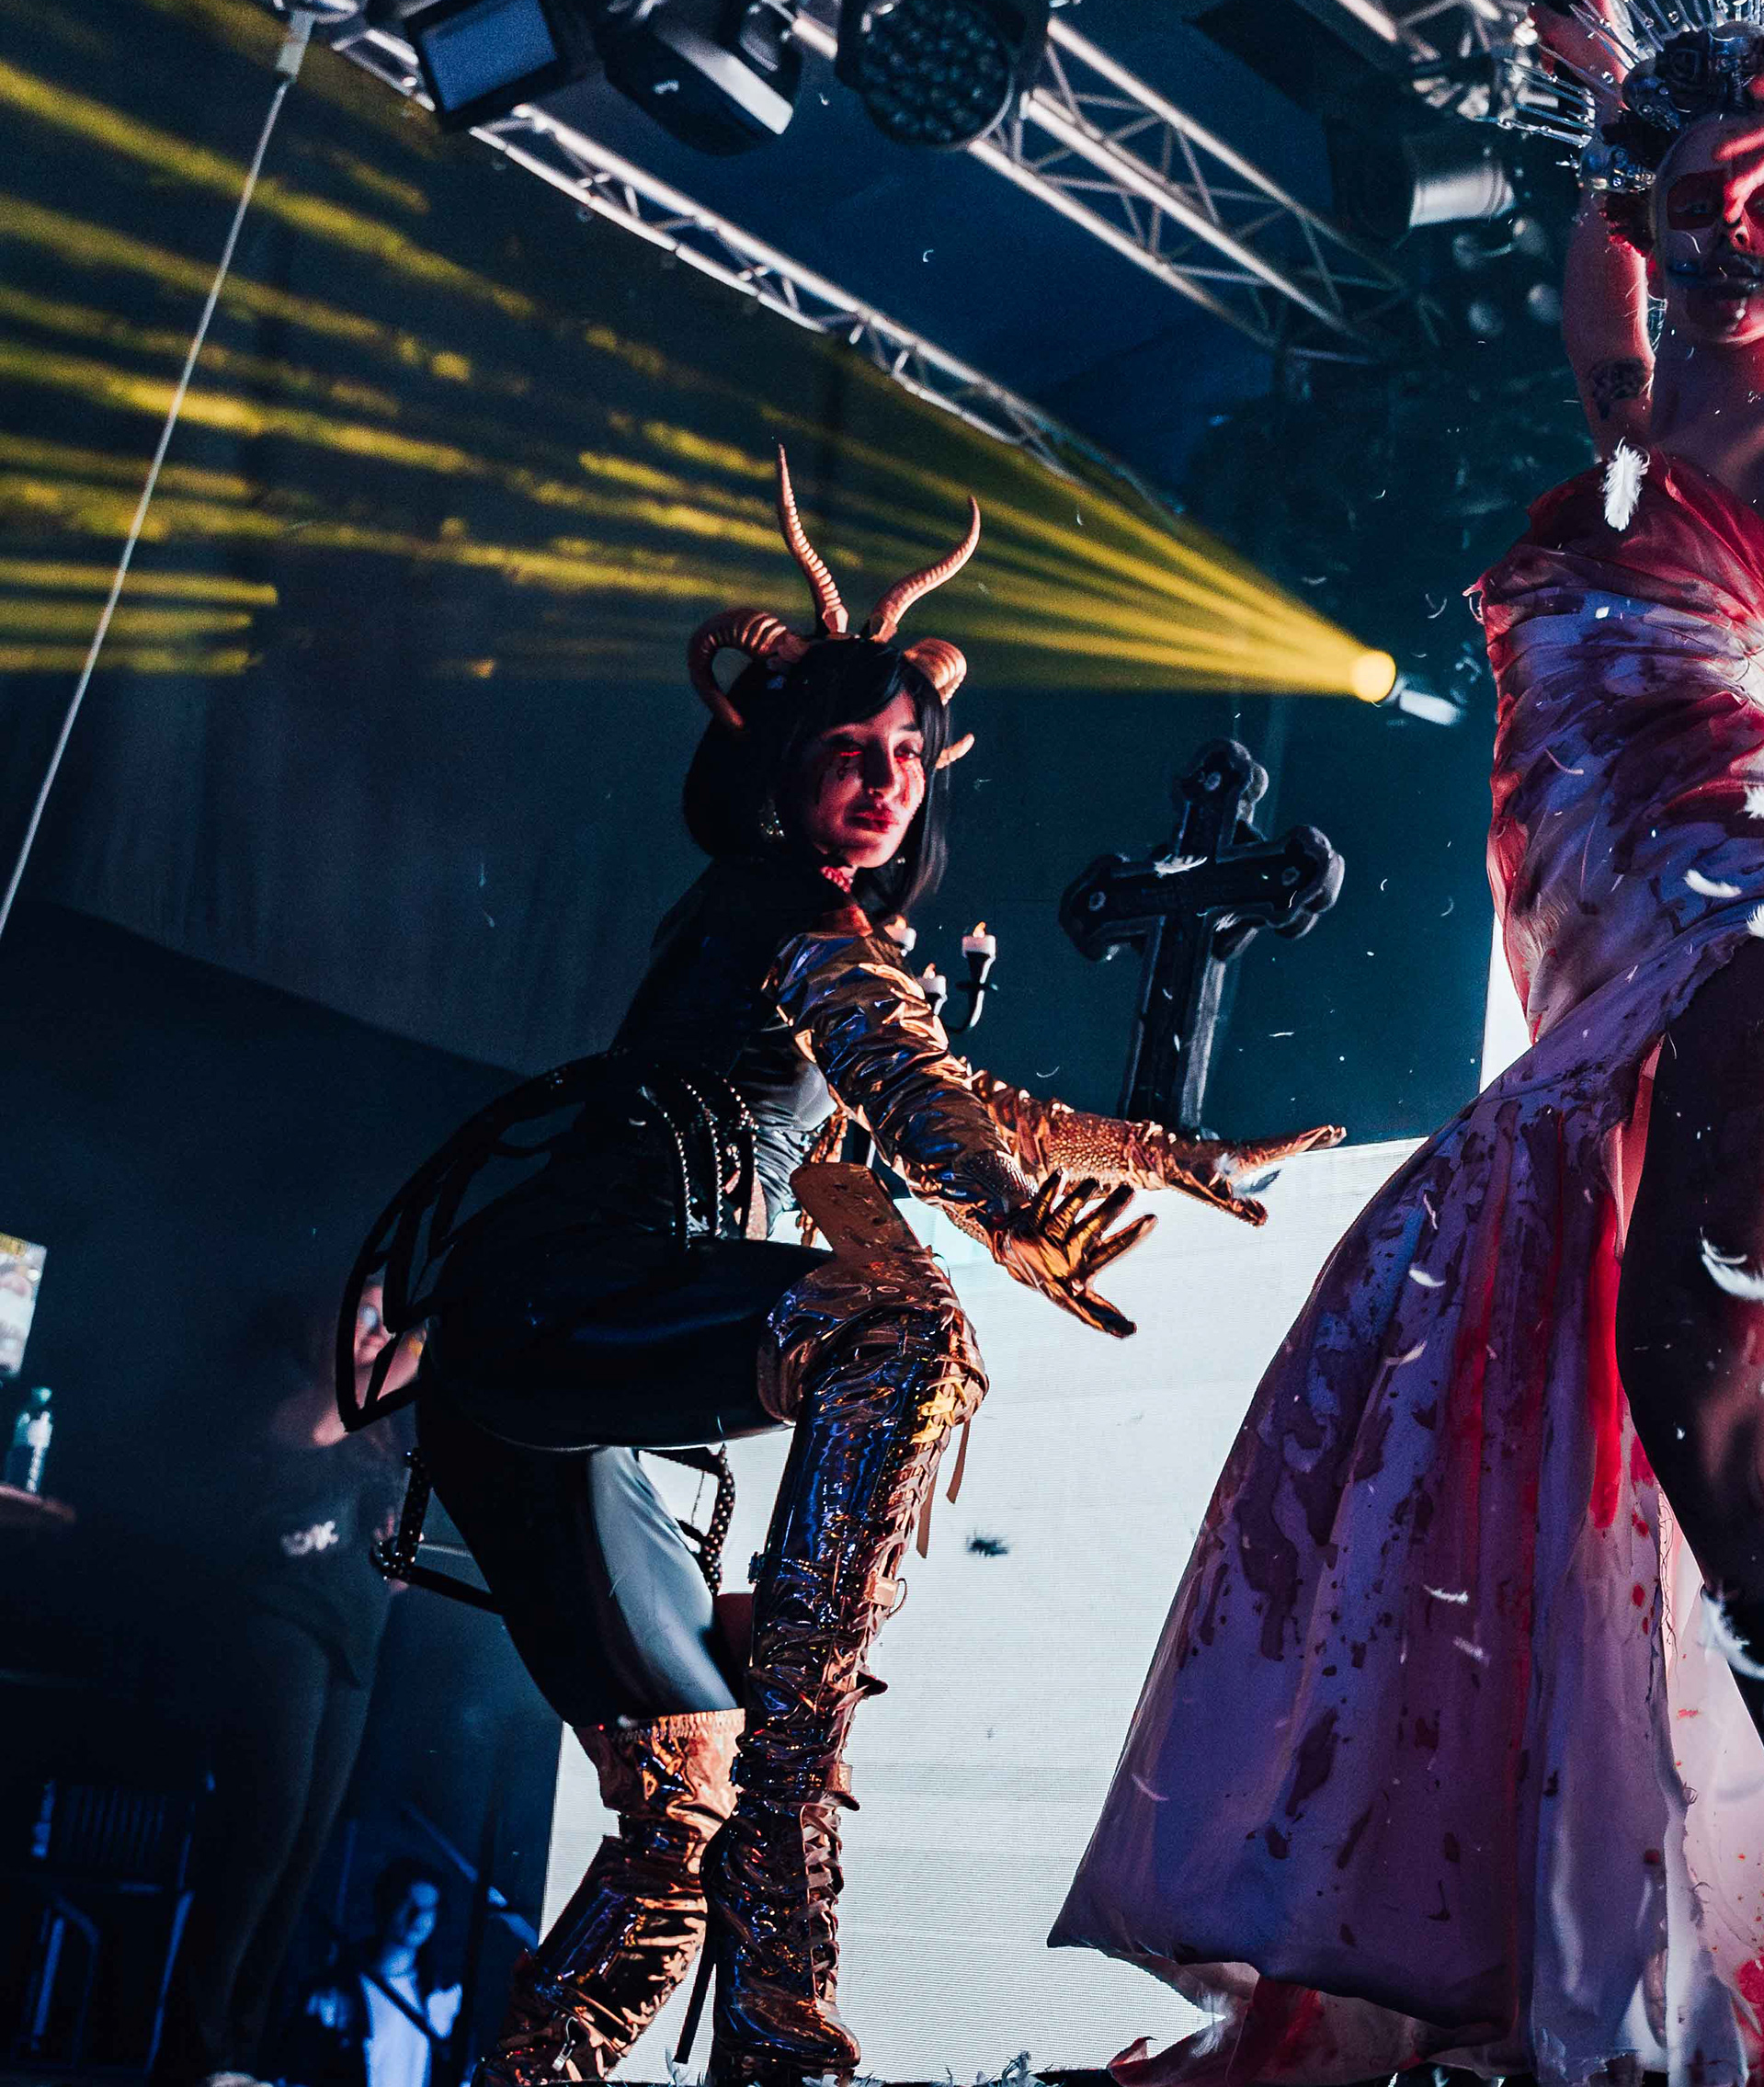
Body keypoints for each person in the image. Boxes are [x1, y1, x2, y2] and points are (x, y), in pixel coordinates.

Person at [1054, 0, 1764, 2087]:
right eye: (1692, 195)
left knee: (1694, 1389)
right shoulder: (1623, 415)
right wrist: (1625, 91)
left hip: (1762, 917)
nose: (1725, 218)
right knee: (1522, 1414)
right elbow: (1604, 224)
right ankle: (1572, 1946)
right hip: (1595, 980)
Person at [354, 462, 1335, 2087]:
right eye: (847, 754)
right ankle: (782, 1977)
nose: (883, 783)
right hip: (554, 1314)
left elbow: (953, 1093)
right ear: (782, 771)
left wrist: (1167, 1158)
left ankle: (565, 2058)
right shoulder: (780, 910)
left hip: (546, 1396)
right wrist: (1008, 1217)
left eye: (904, 758)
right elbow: (912, 1089)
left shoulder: (818, 936)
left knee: (678, 1804)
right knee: (903, 1334)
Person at [157, 1293, 419, 2087]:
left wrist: (390, 1553)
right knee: (262, 1830)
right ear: (325, 1324)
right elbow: (328, 1418)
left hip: (353, 1636)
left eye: (388, 1323)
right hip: (281, 1622)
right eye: (366, 1317)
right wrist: (422, 1336)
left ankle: (236, 2054)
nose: (379, 1335)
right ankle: (192, 2056)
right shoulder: (298, 1393)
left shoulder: (380, 1433)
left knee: (304, 1849)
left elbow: (385, 1546)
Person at [287, 1869, 465, 2087]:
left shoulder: (443, 1995)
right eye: (408, 1903)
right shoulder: (335, 1991)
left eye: (428, 1908)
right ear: (387, 1904)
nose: (417, 1916)